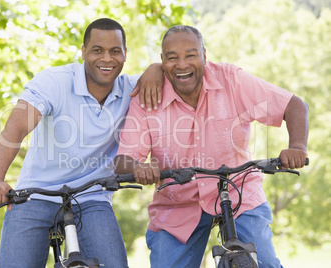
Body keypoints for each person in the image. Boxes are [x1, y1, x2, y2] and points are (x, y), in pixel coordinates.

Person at [114, 25, 309, 268]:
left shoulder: (232, 80)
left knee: (265, 263)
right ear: (162, 61)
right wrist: (139, 167)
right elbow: (124, 160)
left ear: (205, 55)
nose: (182, 64)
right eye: (172, 57)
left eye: (191, 55)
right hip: (177, 204)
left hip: (238, 192)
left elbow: (294, 105)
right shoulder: (148, 97)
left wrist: (298, 147)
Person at [0, 18, 164, 268]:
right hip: (35, 193)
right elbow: (16, 128)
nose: (107, 59)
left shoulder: (132, 89)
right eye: (97, 50)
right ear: (83, 52)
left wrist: (156, 67)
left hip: (92, 197)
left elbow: (171, 73)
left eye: (115, 51)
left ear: (125, 55)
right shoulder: (54, 81)